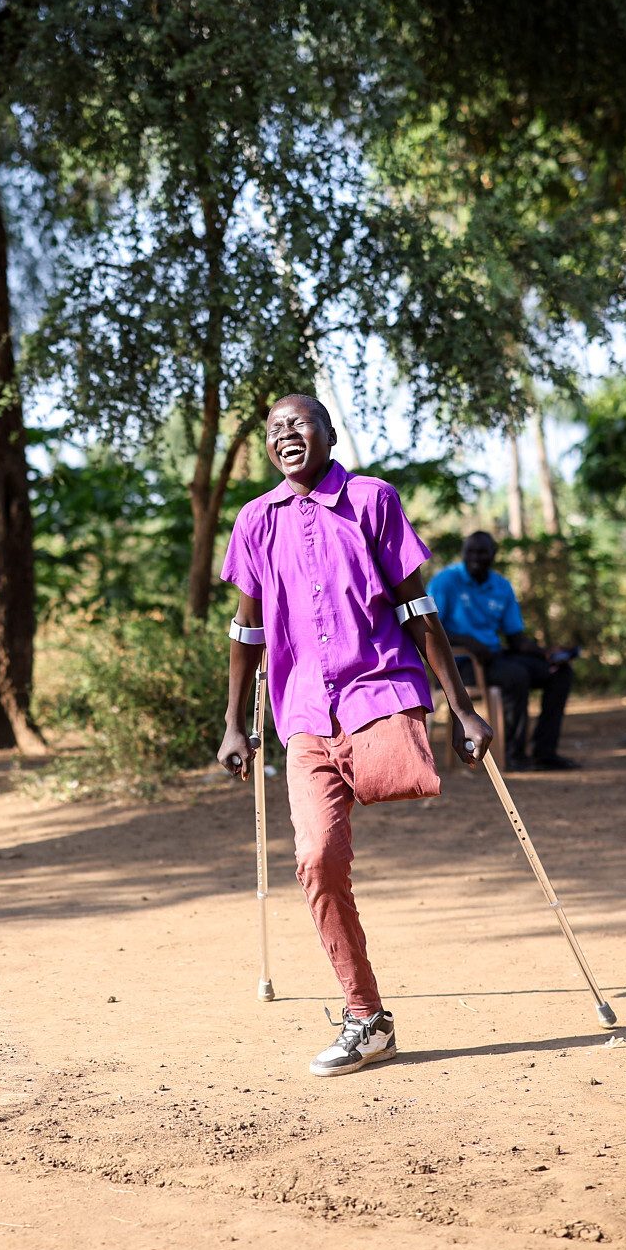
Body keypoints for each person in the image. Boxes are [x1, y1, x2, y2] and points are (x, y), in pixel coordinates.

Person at [216, 394, 494, 1078]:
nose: (287, 433)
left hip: (378, 692)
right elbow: (247, 630)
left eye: (300, 422)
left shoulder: (372, 500)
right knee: (316, 859)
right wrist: (232, 726)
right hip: (304, 714)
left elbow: (417, 606)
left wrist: (462, 709)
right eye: (275, 428)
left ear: (330, 433)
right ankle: (365, 1017)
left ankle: (399, 759)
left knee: (404, 780)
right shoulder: (255, 521)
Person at [427, 531, 578, 770]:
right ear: (464, 553)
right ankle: (513, 755)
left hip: (493, 657)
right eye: (471, 551)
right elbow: (429, 629)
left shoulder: (501, 586)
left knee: (559, 672)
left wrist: (546, 653)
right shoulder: (446, 581)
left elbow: (515, 637)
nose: (476, 557)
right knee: (516, 676)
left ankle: (544, 752)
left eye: (482, 552)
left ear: (493, 555)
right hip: (460, 664)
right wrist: (467, 642)